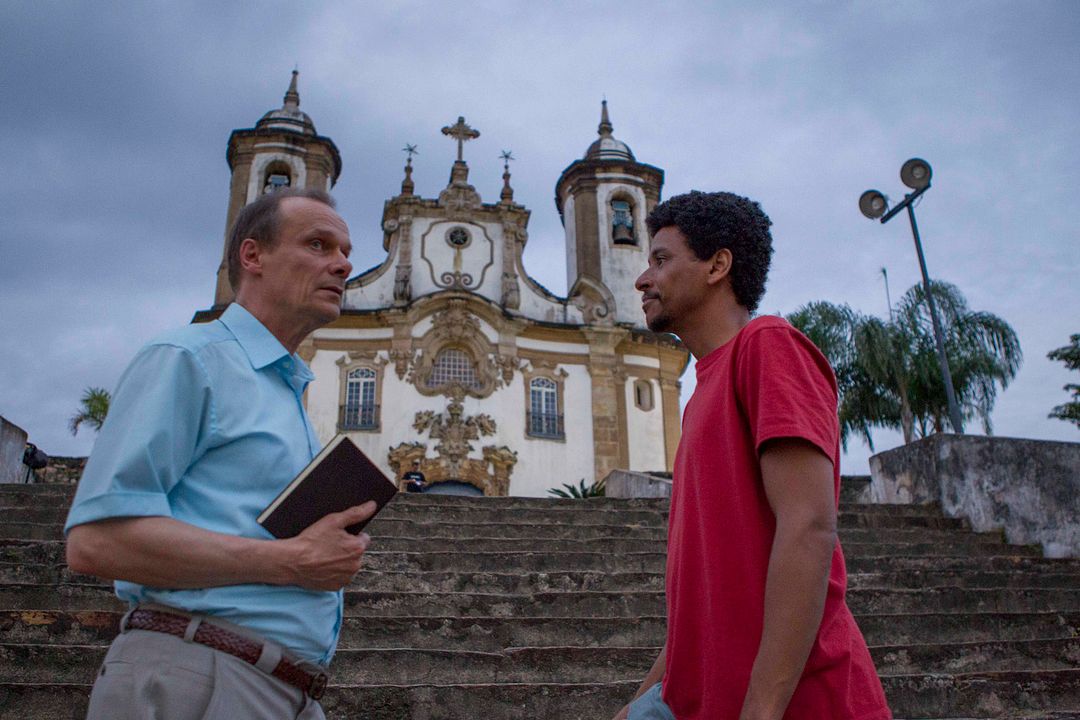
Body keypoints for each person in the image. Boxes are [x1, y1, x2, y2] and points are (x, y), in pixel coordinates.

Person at [65, 188, 371, 720]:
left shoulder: (284, 390)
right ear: (252, 256)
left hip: (285, 689)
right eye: (319, 245)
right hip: (200, 675)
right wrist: (291, 562)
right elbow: (96, 541)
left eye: (345, 252)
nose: (342, 265)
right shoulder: (191, 359)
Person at [614, 191, 892, 720]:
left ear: (718, 265)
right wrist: (643, 701)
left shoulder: (766, 346)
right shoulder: (698, 400)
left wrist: (761, 710)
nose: (643, 279)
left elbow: (808, 525)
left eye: (662, 259)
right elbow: (705, 601)